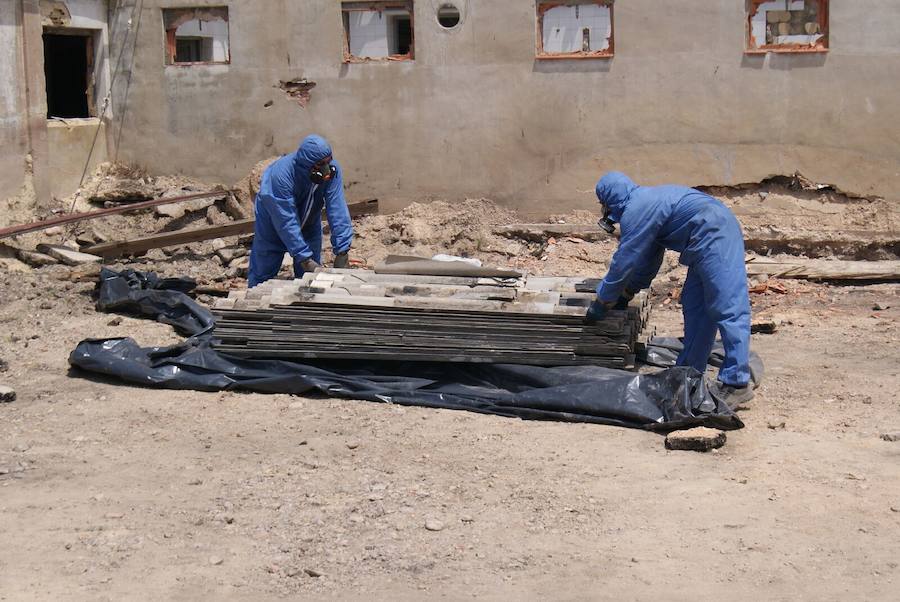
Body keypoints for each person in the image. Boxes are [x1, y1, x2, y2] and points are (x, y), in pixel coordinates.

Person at [586, 171, 754, 407]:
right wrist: (627, 293)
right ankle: (688, 372)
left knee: (727, 305)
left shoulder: (637, 209)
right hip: (701, 240)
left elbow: (624, 260)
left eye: (603, 204)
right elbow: (647, 261)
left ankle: (737, 382)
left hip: (715, 231)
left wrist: (603, 300)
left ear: (609, 200)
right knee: (696, 308)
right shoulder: (644, 204)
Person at [247, 134, 353, 288]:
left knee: (310, 281)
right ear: (306, 164)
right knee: (263, 275)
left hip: (309, 224)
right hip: (273, 226)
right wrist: (303, 257)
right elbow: (285, 220)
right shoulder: (281, 175)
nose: (326, 169)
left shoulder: (331, 172)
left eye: (328, 161)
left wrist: (342, 250)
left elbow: (337, 207)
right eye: (320, 164)